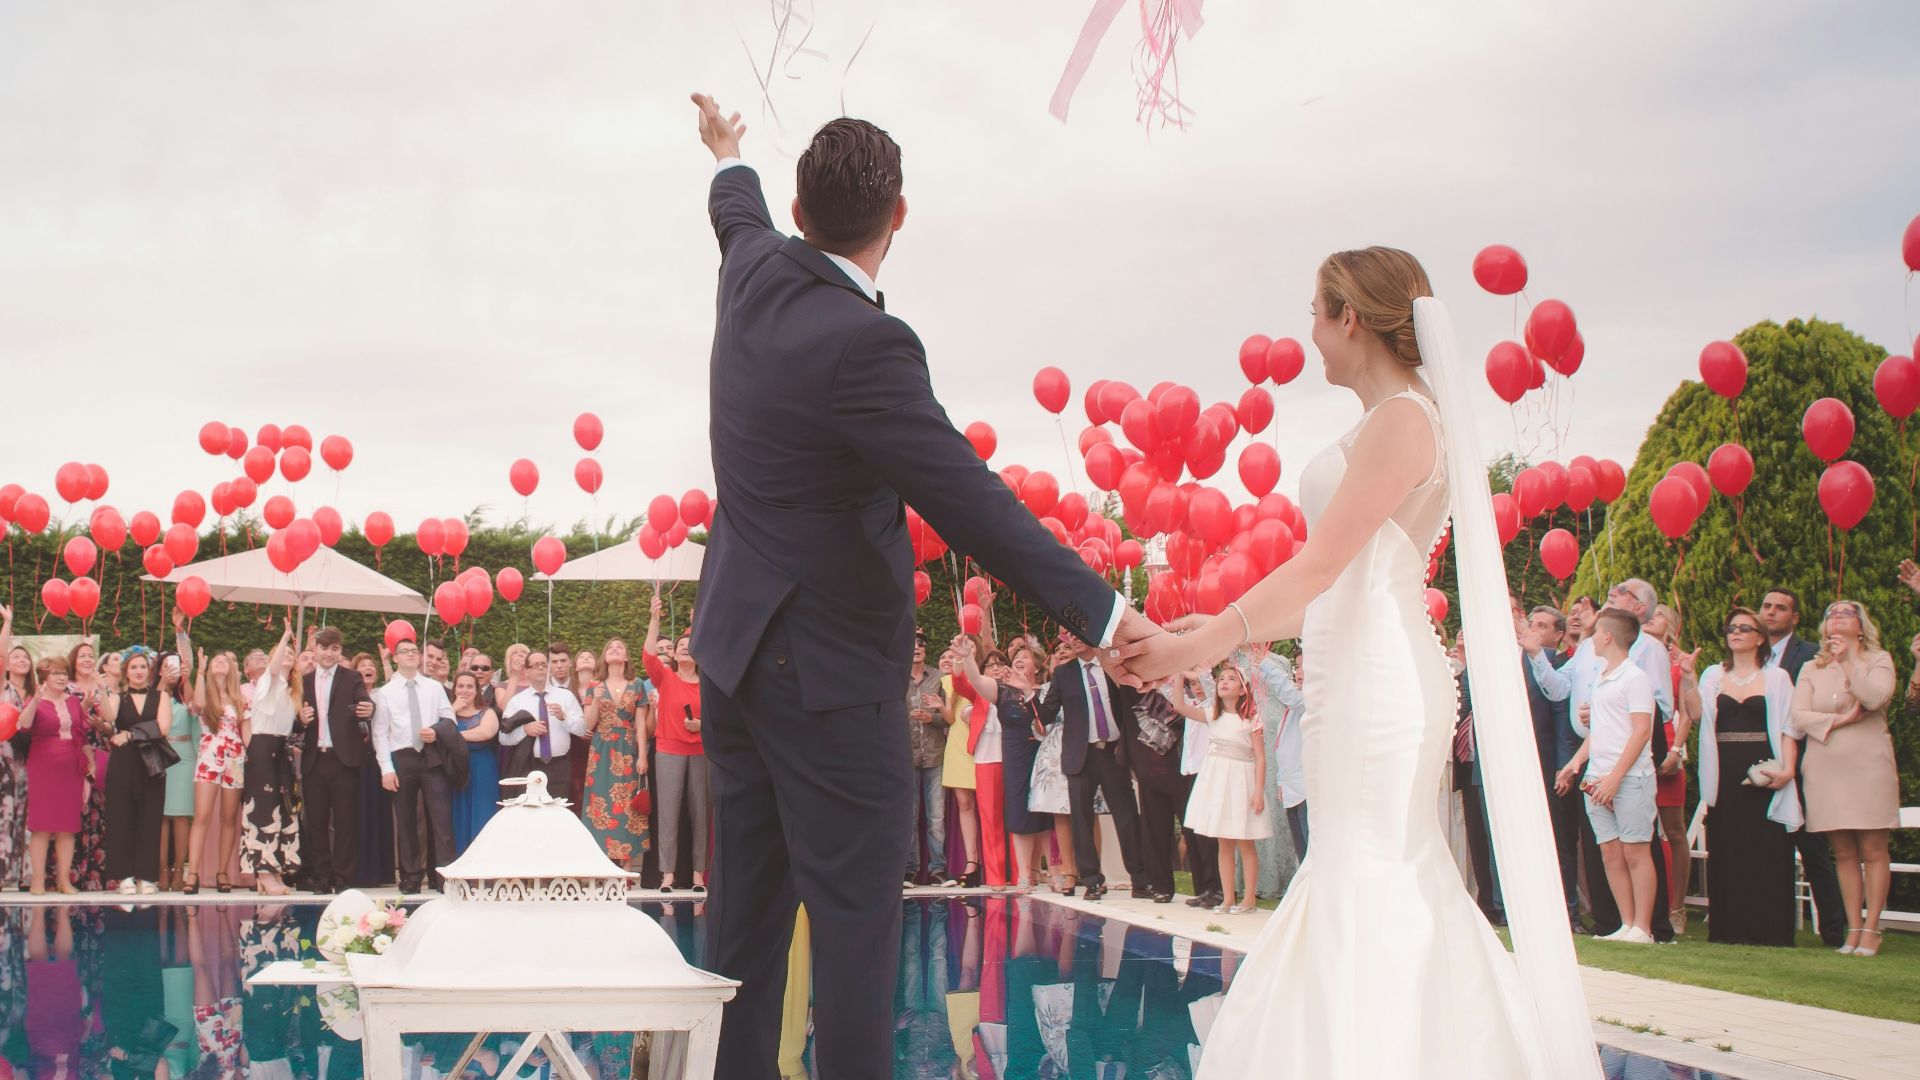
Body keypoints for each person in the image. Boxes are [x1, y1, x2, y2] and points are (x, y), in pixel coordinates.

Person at [689, 95, 1156, 1080]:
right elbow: (975, 503)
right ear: (898, 215)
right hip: (826, 681)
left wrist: (729, 153)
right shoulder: (865, 345)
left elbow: (733, 208)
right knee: (856, 936)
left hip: (733, 656)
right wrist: (1106, 613)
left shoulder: (751, 269)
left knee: (740, 936)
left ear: (800, 207)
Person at [1121, 250, 1594, 1077]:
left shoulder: (1407, 420)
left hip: (1381, 686)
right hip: (1351, 669)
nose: (1309, 332)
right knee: (1354, 863)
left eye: (1315, 311)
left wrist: (1198, 645)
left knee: (1377, 867)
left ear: (1351, 317)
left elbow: (1322, 567)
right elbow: (1326, 587)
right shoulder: (1383, 422)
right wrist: (1221, 626)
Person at [1788, 599, 1899, 957]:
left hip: (1867, 764)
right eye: (1831, 615)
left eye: (1845, 614)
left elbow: (1876, 697)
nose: (1836, 618)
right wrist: (1839, 721)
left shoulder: (1878, 660)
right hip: (1824, 766)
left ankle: (1872, 928)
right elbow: (1799, 716)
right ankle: (1852, 928)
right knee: (1844, 852)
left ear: (1861, 624)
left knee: (1873, 848)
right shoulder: (1810, 667)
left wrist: (1849, 661)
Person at [1696, 607, 1800, 946]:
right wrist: (1685, 677)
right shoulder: (1712, 675)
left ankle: (1770, 928)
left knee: (1767, 847)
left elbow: (1789, 728)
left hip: (1764, 767)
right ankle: (1730, 927)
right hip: (1724, 771)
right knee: (1729, 846)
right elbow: (1696, 714)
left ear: (1759, 637)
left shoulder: (1777, 677)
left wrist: (1787, 770)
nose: (1736, 632)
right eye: (1731, 627)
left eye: (1745, 627)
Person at [1556, 608, 1659, 944]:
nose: (1590, 638)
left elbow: (1641, 732)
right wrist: (1574, 763)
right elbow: (1599, 731)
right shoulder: (1601, 676)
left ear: (1607, 636)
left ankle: (1643, 926)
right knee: (1610, 852)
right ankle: (1626, 923)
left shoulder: (1635, 678)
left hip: (1629, 776)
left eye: (1596, 631)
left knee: (1635, 850)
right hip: (1597, 775)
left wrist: (1616, 776)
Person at [1757, 586, 1846, 948]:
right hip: (1757, 762)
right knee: (1763, 847)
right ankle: (1767, 923)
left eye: (1780, 608)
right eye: (1766, 606)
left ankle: (1834, 930)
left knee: (1813, 850)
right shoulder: (1748, 656)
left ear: (1794, 618)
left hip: (1803, 763)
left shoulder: (1811, 655)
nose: (1771, 612)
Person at [1036, 632, 1145, 901]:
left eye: (1078, 634)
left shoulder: (1111, 665)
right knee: (1081, 821)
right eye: (1068, 637)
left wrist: (1129, 745)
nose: (1074, 640)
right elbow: (1047, 712)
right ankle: (1092, 880)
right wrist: (1028, 694)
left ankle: (1141, 879)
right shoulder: (1064, 673)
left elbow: (1131, 704)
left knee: (1127, 816)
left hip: (1113, 751)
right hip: (1080, 754)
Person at [1169, 663, 1269, 914]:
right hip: (1218, 781)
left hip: (1242, 779)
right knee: (1224, 841)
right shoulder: (1212, 714)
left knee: (1245, 841)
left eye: (1231, 679)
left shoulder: (1252, 719)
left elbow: (1260, 756)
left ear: (1243, 687)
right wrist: (1179, 675)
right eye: (1221, 678)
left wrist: (1258, 791)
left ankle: (1248, 899)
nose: (1224, 682)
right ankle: (1227, 898)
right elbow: (1179, 706)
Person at [957, 638, 1053, 891]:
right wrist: (968, 657)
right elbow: (975, 681)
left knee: (1047, 814)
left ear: (1038, 665)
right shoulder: (1002, 689)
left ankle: (1053, 871)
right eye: (1017, 656)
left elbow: (1045, 724)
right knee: (1016, 813)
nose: (1019, 658)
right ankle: (1014, 876)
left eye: (1026, 656)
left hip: (1044, 755)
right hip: (1012, 756)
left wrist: (1029, 692)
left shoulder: (1049, 688)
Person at [372, 640, 458, 893]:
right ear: (395, 658)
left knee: (441, 816)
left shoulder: (434, 687)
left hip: (431, 754)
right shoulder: (386, 692)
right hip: (402, 756)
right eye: (405, 652)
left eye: (414, 651)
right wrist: (386, 768)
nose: (411, 655)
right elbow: (380, 732)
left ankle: (443, 875)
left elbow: (449, 717)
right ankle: (410, 875)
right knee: (406, 819)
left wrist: (436, 731)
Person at [297, 626, 376, 895]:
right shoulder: (303, 681)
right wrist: (300, 719)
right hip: (313, 759)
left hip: (344, 760)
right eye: (324, 648)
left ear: (340, 651)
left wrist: (369, 709)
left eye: (334, 648)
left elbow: (365, 705)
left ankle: (343, 878)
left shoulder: (351, 677)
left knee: (345, 822)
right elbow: (294, 719)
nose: (329, 653)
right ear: (315, 649)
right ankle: (321, 877)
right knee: (315, 822)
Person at [1521, 606, 1582, 926]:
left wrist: (1563, 766)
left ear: (1559, 635)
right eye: (1532, 623)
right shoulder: (1516, 663)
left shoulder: (1562, 665)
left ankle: (1569, 910)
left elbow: (1562, 721)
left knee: (1559, 841)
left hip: (1550, 764)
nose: (1534, 629)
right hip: (1521, 764)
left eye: (1542, 626)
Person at [94, 650, 174, 894]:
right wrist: (102, 690)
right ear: (126, 672)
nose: (139, 671)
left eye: (142, 667)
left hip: (151, 764)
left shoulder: (161, 696)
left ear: (148, 671)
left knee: (150, 819)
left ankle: (146, 876)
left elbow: (162, 728)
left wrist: (129, 734)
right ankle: (124, 876)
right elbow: (108, 716)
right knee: (121, 819)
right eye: (133, 668)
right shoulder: (119, 696)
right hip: (123, 763)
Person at [643, 595, 708, 892]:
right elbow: (647, 656)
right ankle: (667, 875)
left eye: (689, 645)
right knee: (667, 813)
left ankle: (698, 875)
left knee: (700, 813)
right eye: (680, 646)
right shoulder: (665, 677)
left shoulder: (709, 683)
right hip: (669, 750)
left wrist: (702, 725)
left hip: (701, 751)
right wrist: (655, 620)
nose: (684, 648)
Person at [242, 620, 302, 895]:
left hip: (282, 751)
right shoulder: (268, 681)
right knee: (263, 809)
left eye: (292, 652)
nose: (287, 654)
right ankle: (263, 871)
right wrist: (286, 637)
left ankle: (276, 868)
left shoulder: (292, 692)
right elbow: (275, 665)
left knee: (284, 808)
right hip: (262, 747)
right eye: (283, 652)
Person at [581, 638, 649, 866]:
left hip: (628, 747)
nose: (615, 648)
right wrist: (597, 700)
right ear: (604, 656)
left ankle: (627, 865)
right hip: (602, 748)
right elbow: (588, 724)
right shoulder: (594, 685)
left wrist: (643, 755)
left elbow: (640, 723)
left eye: (620, 646)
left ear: (626, 657)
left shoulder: (637, 684)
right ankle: (602, 864)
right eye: (610, 647)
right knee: (600, 803)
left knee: (627, 805)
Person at [184, 647, 246, 895]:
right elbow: (197, 704)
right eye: (215, 661)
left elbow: (247, 731)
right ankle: (193, 874)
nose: (220, 663)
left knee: (229, 817)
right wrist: (199, 670)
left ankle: (222, 872)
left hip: (235, 758)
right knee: (202, 816)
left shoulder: (240, 699)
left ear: (232, 668)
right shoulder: (205, 695)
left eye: (224, 660)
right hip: (209, 755)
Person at [22, 656, 86, 894]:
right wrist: (34, 701)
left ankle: (63, 880)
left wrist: (88, 763)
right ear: (44, 679)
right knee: (41, 826)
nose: (61, 678)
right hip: (43, 765)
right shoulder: (35, 699)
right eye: (55, 674)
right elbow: (23, 725)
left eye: (63, 673)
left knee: (67, 826)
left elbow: (82, 733)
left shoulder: (73, 702)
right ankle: (38, 880)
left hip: (71, 766)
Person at [499, 649, 587, 800]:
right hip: (530, 765)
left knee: (558, 811)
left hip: (560, 765)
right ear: (526, 671)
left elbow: (581, 729)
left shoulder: (565, 696)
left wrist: (564, 717)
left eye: (543, 665)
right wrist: (525, 730)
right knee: (531, 813)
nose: (541, 668)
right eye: (536, 665)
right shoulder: (517, 701)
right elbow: (503, 738)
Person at [903, 630, 951, 888]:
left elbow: (949, 718)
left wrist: (930, 718)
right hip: (906, 755)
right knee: (908, 817)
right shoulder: (897, 679)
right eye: (912, 642)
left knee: (936, 818)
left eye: (921, 642)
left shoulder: (940, 679)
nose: (916, 646)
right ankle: (909, 870)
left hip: (935, 754)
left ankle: (938, 870)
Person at [936, 645, 982, 888]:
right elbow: (950, 717)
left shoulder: (981, 675)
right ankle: (971, 862)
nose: (950, 658)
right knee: (964, 803)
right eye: (946, 655)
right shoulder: (944, 681)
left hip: (983, 742)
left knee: (988, 804)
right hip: (957, 742)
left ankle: (998, 863)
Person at [156, 637, 198, 893]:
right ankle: (161, 869)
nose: (171, 669)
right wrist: (163, 683)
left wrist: (186, 676)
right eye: (166, 665)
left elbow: (196, 707)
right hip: (159, 755)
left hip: (184, 757)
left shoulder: (186, 695)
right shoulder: (155, 693)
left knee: (181, 818)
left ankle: (179, 869)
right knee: (160, 817)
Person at [448, 670, 502, 853]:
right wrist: (452, 710)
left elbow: (485, 733)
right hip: (454, 770)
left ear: (477, 690)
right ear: (454, 689)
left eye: (470, 686)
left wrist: (452, 736)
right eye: (460, 686)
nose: (465, 690)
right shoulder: (447, 713)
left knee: (483, 813)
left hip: (482, 768)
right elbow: (434, 732)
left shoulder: (487, 712)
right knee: (458, 816)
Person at [1, 604, 33, 890]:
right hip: (6, 762)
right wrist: (7, 624)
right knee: (5, 815)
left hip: (33, 763)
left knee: (29, 818)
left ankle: (25, 874)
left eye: (25, 657)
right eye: (16, 656)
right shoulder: (3, 689)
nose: (22, 660)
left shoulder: (37, 693)